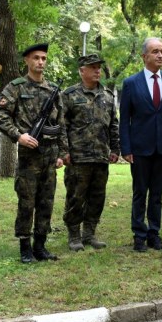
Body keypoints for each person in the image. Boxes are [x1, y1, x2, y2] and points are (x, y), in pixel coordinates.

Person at [0, 43, 67, 264]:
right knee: (27, 202)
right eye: (36, 58)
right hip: (28, 156)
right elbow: (0, 116)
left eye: (43, 58)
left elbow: (60, 123)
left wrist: (62, 153)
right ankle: (25, 247)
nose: (40, 62)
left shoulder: (53, 89)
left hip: (50, 155)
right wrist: (18, 136)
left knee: (47, 202)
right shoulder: (16, 87)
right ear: (27, 61)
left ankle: (40, 246)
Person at [119, 37, 162, 252]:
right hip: (140, 148)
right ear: (144, 56)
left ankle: (154, 234)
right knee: (140, 193)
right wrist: (126, 149)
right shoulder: (130, 83)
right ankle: (139, 235)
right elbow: (124, 119)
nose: (160, 55)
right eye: (155, 51)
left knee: (157, 195)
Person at [62, 53, 120, 251]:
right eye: (93, 67)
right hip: (78, 157)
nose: (97, 70)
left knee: (97, 197)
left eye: (99, 67)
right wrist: (64, 151)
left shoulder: (107, 96)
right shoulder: (69, 95)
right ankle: (74, 234)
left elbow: (113, 125)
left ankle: (89, 233)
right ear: (81, 71)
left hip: (101, 156)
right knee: (76, 197)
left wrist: (115, 149)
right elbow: (62, 126)